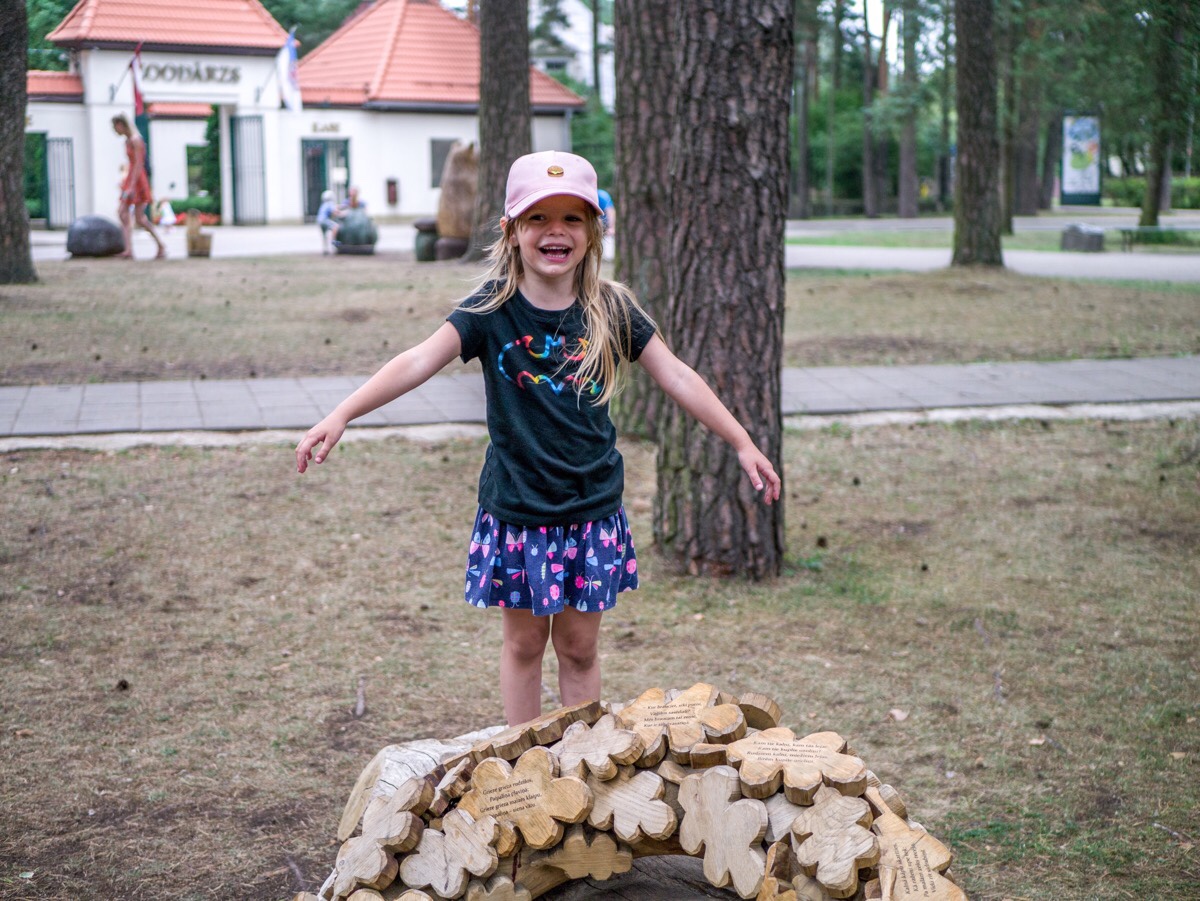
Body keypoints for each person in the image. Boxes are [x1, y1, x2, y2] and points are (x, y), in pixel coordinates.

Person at [295, 151, 780, 726]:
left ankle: (584, 758)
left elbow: (676, 374)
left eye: (572, 218)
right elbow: (418, 360)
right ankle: (521, 754)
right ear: (512, 231)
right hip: (519, 511)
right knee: (524, 645)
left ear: (594, 229)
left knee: (579, 647)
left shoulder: (612, 309)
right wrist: (343, 413)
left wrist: (741, 440)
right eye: (538, 218)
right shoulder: (490, 310)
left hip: (590, 509)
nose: (556, 231)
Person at [111, 114, 166, 260]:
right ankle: (129, 250)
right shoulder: (128, 141)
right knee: (123, 213)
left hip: (138, 180)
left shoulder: (136, 140)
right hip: (131, 178)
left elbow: (139, 164)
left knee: (139, 218)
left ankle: (160, 246)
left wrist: (132, 186)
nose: (115, 130)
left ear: (121, 125)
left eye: (115, 126)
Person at [316, 190, 338, 254]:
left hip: (319, 221)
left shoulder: (323, 204)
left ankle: (325, 249)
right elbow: (334, 212)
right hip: (324, 220)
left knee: (324, 235)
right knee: (335, 226)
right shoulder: (330, 203)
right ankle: (334, 244)